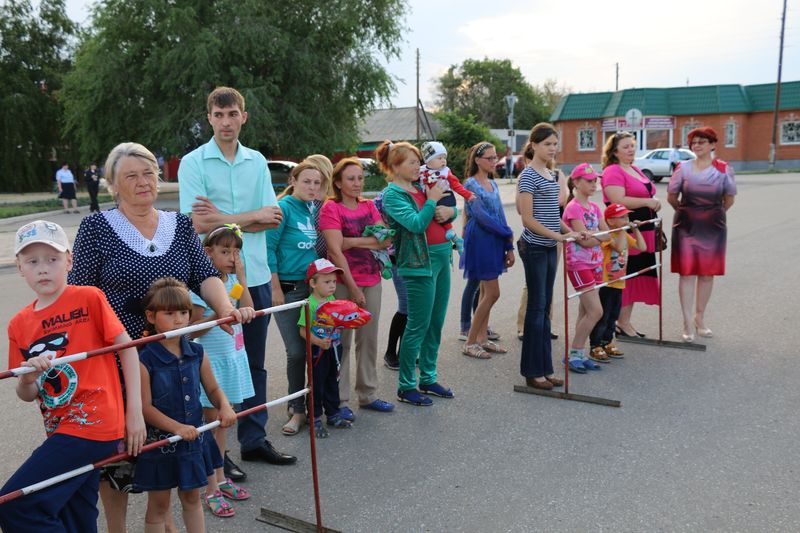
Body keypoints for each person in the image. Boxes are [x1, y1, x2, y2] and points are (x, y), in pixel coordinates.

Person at [69, 141, 243, 532]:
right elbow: (79, 293)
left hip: (171, 356)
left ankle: (159, 522)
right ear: (114, 185)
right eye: (130, 175)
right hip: (117, 358)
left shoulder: (178, 224)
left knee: (165, 447)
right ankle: (118, 529)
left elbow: (204, 274)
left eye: (148, 172)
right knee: (119, 453)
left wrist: (225, 309)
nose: (142, 182)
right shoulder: (96, 227)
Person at [178, 86, 296, 474]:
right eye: (218, 115)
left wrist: (225, 217)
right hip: (210, 280)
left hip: (254, 275)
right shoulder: (194, 162)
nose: (226, 122)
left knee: (254, 363)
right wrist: (251, 216)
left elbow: (273, 218)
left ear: (243, 116)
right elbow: (196, 223)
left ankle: (253, 439)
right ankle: (217, 451)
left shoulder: (256, 160)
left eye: (232, 114)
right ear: (209, 117)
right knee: (213, 364)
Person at [0, 220, 145, 533]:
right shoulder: (18, 324)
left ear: (68, 260)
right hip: (59, 427)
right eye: (32, 261)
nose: (43, 269)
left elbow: (128, 350)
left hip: (95, 424)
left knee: (15, 505)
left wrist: (135, 414)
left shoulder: (88, 297)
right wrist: (28, 378)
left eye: (52, 259)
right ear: (20, 267)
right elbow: (26, 393)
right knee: (76, 516)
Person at [135, 278, 237, 531]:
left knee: (192, 498)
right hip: (161, 445)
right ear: (151, 316)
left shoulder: (196, 352)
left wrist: (224, 405)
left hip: (194, 440)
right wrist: (176, 427)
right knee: (158, 506)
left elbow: (212, 388)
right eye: (169, 313)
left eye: (183, 312)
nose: (179, 319)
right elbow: (145, 407)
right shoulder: (144, 359)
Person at [379, 140, 455, 406]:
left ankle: (429, 378)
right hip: (418, 264)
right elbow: (415, 223)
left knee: (436, 323)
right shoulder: (393, 195)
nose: (418, 166)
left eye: (418, 161)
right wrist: (433, 201)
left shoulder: (421, 185)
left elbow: (450, 207)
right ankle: (407, 385)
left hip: (442, 257)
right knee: (417, 326)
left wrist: (450, 209)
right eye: (412, 162)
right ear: (395, 166)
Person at [319, 157, 395, 417]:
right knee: (343, 342)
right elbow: (336, 250)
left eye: (360, 178)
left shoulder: (369, 206)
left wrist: (352, 242)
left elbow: (385, 241)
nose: (357, 183)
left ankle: (368, 394)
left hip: (372, 279)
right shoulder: (331, 208)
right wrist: (352, 288)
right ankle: (340, 401)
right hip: (342, 283)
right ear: (338, 183)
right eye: (350, 179)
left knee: (369, 339)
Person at [190, 225, 256, 515]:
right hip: (210, 365)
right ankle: (210, 488)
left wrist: (242, 278)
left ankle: (220, 477)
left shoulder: (231, 283)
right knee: (210, 426)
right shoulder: (200, 288)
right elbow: (190, 331)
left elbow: (248, 310)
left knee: (223, 424)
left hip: (232, 359)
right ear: (207, 253)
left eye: (236, 252)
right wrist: (219, 314)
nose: (232, 257)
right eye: (225, 251)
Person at [517, 123, 574, 391]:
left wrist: (571, 232)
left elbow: (554, 216)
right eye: (548, 144)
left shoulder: (550, 174)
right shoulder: (528, 176)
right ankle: (532, 372)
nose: (553, 148)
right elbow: (528, 220)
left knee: (545, 307)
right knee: (536, 308)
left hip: (550, 245)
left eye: (555, 144)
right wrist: (557, 237)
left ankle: (545, 369)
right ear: (535, 145)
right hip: (536, 247)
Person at [268, 162, 324, 436]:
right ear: (293, 180)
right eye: (307, 181)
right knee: (296, 351)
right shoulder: (284, 208)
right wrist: (275, 288)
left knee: (314, 350)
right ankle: (297, 409)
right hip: (287, 290)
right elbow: (269, 249)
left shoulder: (311, 208)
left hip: (311, 290)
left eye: (317, 182)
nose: (312, 187)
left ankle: (308, 404)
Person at [666, 127, 736, 342]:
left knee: (707, 274)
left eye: (701, 142)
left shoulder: (724, 169)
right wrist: (688, 211)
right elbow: (671, 197)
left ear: (713, 144)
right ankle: (687, 322)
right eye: (693, 143)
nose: (696, 146)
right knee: (686, 273)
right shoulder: (683, 168)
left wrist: (713, 214)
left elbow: (729, 199)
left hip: (713, 226)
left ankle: (700, 318)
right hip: (686, 225)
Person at [601, 131, 662, 338]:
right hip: (627, 229)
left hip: (643, 229)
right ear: (615, 151)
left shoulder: (635, 168)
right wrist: (647, 202)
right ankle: (617, 322)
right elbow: (617, 199)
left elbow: (646, 192)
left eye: (632, 145)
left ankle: (624, 321)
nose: (630, 149)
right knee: (625, 275)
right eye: (625, 146)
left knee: (637, 275)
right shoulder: (613, 170)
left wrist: (653, 202)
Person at [460, 142, 515, 359]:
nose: (494, 162)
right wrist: (505, 232)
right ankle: (470, 341)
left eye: (495, 158)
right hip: (480, 239)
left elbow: (500, 213)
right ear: (477, 160)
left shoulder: (494, 183)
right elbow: (480, 216)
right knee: (493, 292)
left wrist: (508, 244)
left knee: (485, 291)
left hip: (494, 238)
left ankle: (482, 338)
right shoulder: (470, 184)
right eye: (489, 158)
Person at [297, 258, 354, 438]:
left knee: (333, 380)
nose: (332, 286)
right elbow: (303, 331)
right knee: (317, 384)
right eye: (327, 282)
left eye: (334, 282)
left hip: (334, 348)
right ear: (313, 283)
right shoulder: (310, 304)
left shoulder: (331, 299)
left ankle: (333, 414)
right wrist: (318, 342)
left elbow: (337, 319)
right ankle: (314, 419)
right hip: (318, 351)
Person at [562, 164, 610, 373]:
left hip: (595, 263)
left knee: (585, 310)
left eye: (595, 181)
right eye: (589, 181)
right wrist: (596, 237)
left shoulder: (595, 208)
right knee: (596, 310)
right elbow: (584, 241)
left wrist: (595, 237)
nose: (594, 184)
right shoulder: (573, 208)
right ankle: (574, 353)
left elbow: (608, 234)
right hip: (579, 264)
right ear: (576, 182)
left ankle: (579, 353)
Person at [589, 204, 646, 359]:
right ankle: (595, 345)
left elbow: (642, 247)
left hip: (619, 281)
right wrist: (623, 230)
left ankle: (607, 342)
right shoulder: (608, 236)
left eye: (627, 217)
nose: (626, 220)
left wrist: (635, 230)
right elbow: (619, 247)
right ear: (610, 221)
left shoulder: (622, 233)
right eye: (622, 217)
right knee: (604, 315)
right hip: (606, 282)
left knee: (614, 315)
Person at [418, 141, 475, 251]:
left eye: (444, 158)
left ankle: (452, 234)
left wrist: (468, 195)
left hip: (446, 197)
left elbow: (456, 185)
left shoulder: (446, 171)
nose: (443, 161)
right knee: (434, 213)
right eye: (439, 158)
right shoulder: (421, 171)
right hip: (431, 199)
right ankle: (455, 238)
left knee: (440, 213)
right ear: (428, 160)